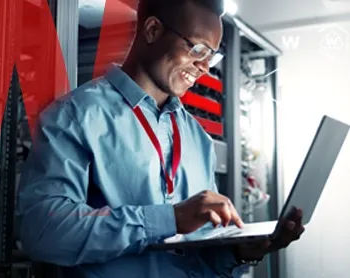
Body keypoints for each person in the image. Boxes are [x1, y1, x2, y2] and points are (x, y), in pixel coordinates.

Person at [16, 0, 305, 277]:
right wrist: (168, 219)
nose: (204, 67)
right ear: (152, 30)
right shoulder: (76, 116)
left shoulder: (197, 139)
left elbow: (197, 259)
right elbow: (43, 231)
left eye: (211, 55)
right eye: (198, 49)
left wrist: (241, 252)